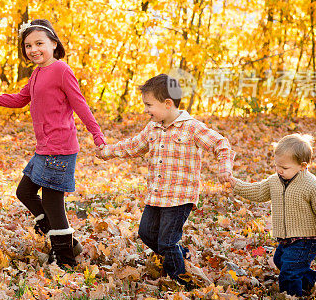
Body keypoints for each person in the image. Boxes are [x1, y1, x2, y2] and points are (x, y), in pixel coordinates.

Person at [0, 19, 105, 268]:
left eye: (39, 43)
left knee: (52, 204)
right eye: (28, 45)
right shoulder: (37, 73)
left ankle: (65, 260)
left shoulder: (61, 70)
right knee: (24, 192)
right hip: (43, 149)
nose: (33, 49)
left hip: (60, 149)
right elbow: (19, 99)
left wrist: (96, 134)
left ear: (54, 44)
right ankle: (68, 243)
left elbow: (80, 104)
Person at [98, 73, 234, 287]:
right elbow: (133, 146)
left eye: (149, 105)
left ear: (168, 104)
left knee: (167, 241)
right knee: (146, 233)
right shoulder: (152, 128)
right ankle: (181, 256)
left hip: (180, 197)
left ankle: (181, 282)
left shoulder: (191, 128)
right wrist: (108, 151)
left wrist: (224, 168)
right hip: (156, 195)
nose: (145, 110)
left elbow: (221, 144)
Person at [229, 134, 316, 296]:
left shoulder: (311, 184)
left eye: (284, 168)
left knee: (289, 271)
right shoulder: (274, 181)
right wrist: (237, 185)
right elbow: (258, 191)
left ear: (302, 166)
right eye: (277, 166)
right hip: (287, 238)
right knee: (280, 261)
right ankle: (314, 280)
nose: (279, 170)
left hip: (307, 239)